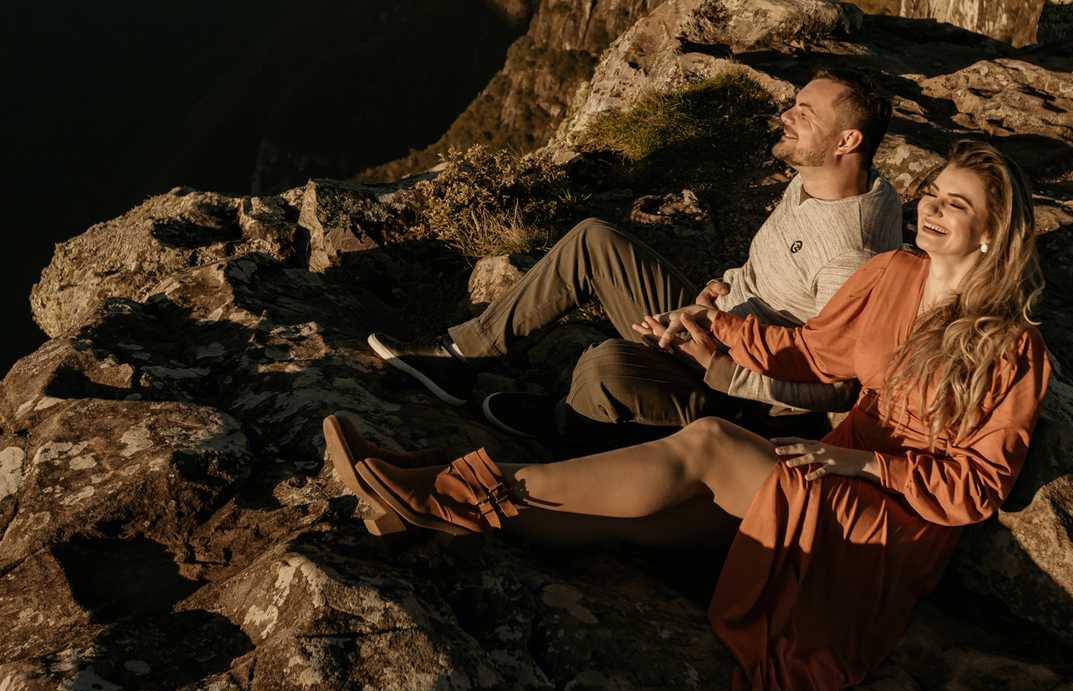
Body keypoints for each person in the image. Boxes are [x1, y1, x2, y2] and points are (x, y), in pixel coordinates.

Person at [325, 139, 1049, 691]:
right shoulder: (894, 272)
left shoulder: (1016, 350)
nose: (934, 209)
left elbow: (978, 489)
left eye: (959, 204)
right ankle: (434, 510)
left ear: (992, 232)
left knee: (708, 442)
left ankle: (448, 484)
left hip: (884, 524)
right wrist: (713, 328)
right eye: (935, 193)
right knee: (653, 520)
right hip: (827, 469)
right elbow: (813, 351)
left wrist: (857, 463)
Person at [367, 67, 901, 449]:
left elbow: (840, 384)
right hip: (720, 327)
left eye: (803, 114)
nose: (784, 116)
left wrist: (717, 368)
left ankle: (568, 428)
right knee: (594, 238)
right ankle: (463, 359)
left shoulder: (849, 255)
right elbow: (776, 273)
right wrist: (721, 289)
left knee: (603, 365)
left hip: (741, 395)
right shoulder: (826, 180)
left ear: (846, 140)